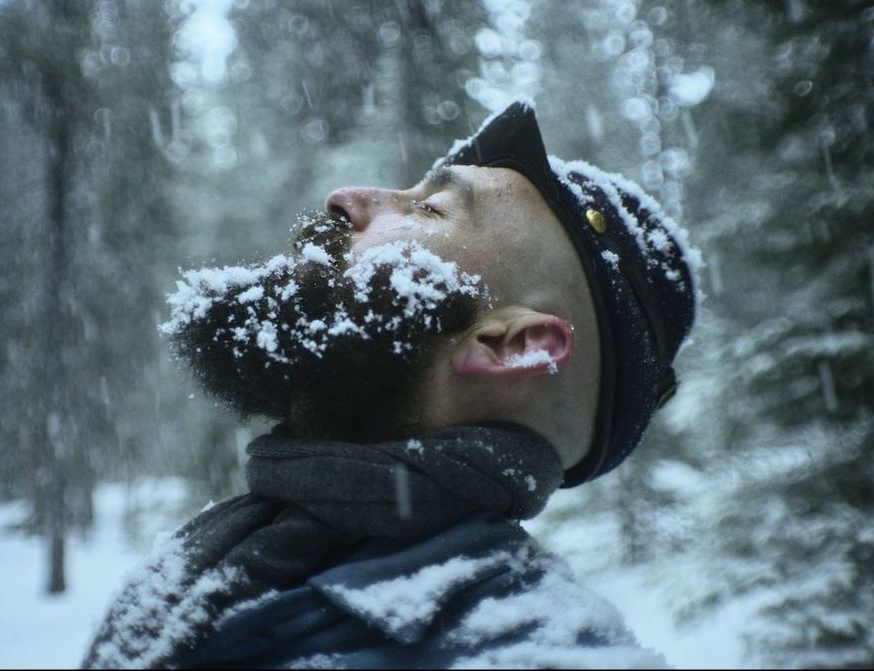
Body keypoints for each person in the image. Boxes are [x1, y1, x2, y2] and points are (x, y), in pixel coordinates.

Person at [82, 101, 700, 669]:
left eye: (430, 209)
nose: (344, 197)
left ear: (512, 347)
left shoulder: (532, 653)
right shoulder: (214, 565)